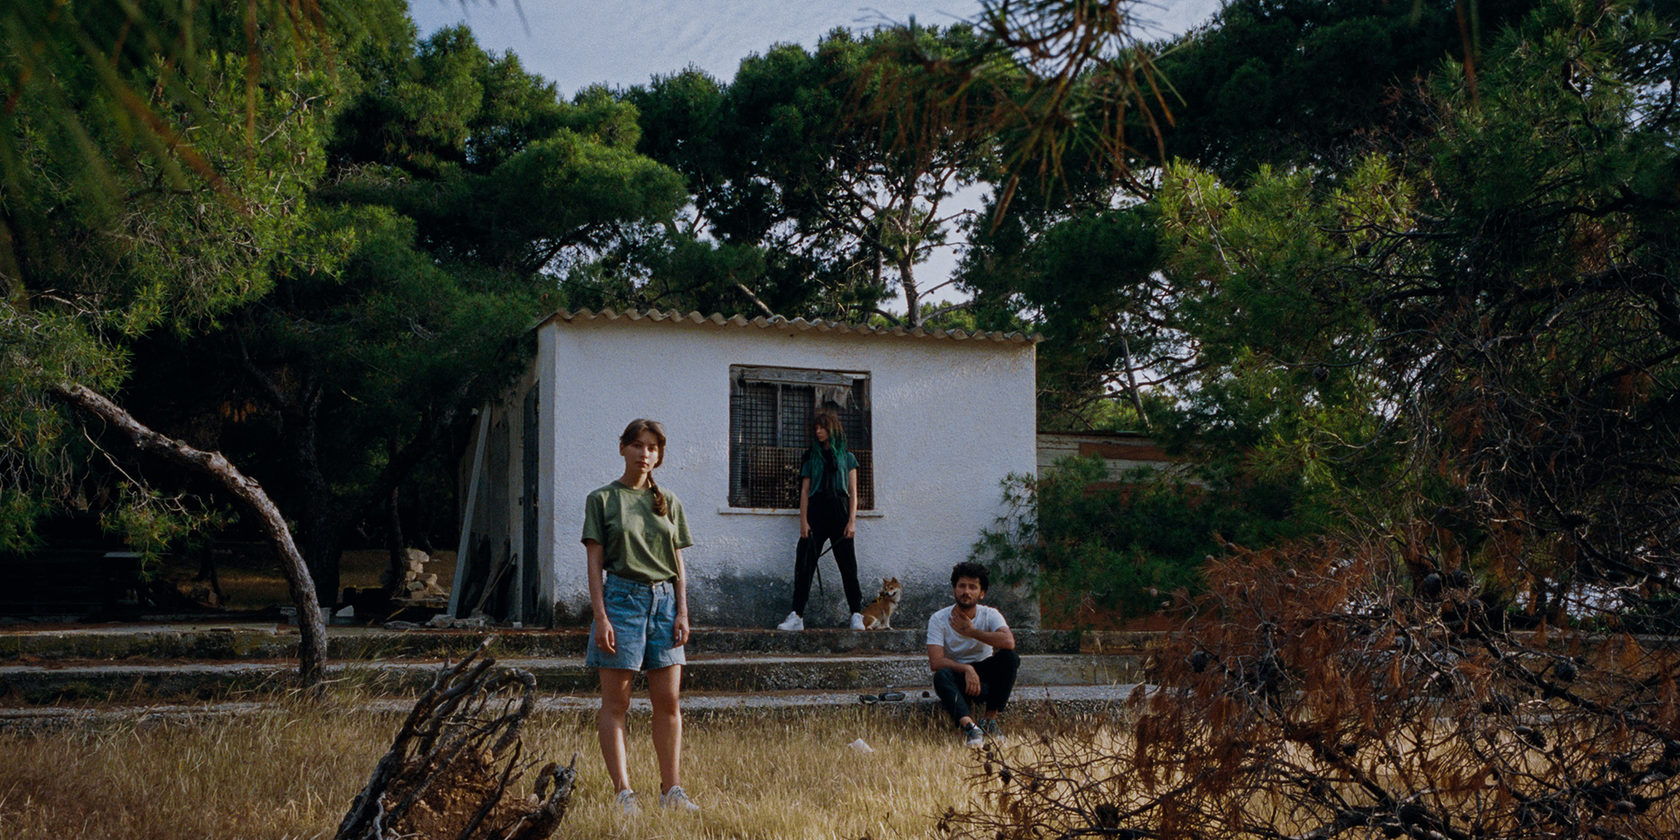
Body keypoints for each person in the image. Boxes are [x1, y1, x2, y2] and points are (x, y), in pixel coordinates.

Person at [582, 418, 700, 815]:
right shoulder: (602, 499)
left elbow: (677, 562)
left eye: (652, 447)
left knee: (668, 701)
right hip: (621, 602)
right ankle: (624, 793)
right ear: (622, 448)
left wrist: (682, 611)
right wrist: (601, 616)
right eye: (637, 445)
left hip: (664, 605)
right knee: (617, 703)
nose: (644, 453)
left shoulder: (669, 501)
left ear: (659, 454)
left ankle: (672, 791)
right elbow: (594, 564)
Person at [776, 408, 866, 631]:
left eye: (822, 428)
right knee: (804, 565)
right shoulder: (810, 457)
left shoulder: (848, 457)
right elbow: (805, 491)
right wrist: (803, 521)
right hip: (816, 511)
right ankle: (797, 616)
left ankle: (856, 614)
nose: (818, 432)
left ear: (832, 429)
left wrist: (852, 521)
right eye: (816, 428)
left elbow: (853, 492)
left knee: (848, 565)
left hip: (839, 510)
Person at [926, 561, 1019, 748]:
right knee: (941, 676)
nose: (966, 592)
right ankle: (970, 727)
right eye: (961, 586)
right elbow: (935, 661)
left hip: (985, 679)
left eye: (972, 587)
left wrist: (972, 632)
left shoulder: (990, 614)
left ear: (981, 593)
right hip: (958, 679)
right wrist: (967, 669)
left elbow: (1009, 642)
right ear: (954, 590)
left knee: (1010, 658)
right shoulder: (938, 619)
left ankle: (989, 720)